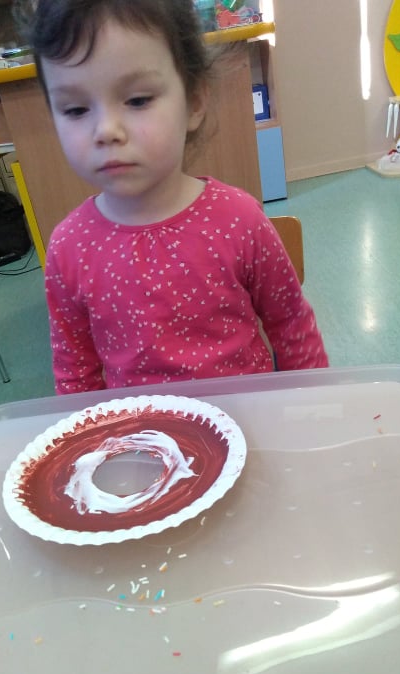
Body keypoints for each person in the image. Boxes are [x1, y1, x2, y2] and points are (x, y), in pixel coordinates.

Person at [17, 0, 328, 394]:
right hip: (141, 430)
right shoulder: (68, 249)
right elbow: (76, 375)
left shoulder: (239, 219)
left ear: (194, 101)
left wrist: (315, 407)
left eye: (137, 100)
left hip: (248, 422)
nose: (106, 130)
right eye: (76, 109)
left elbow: (292, 327)